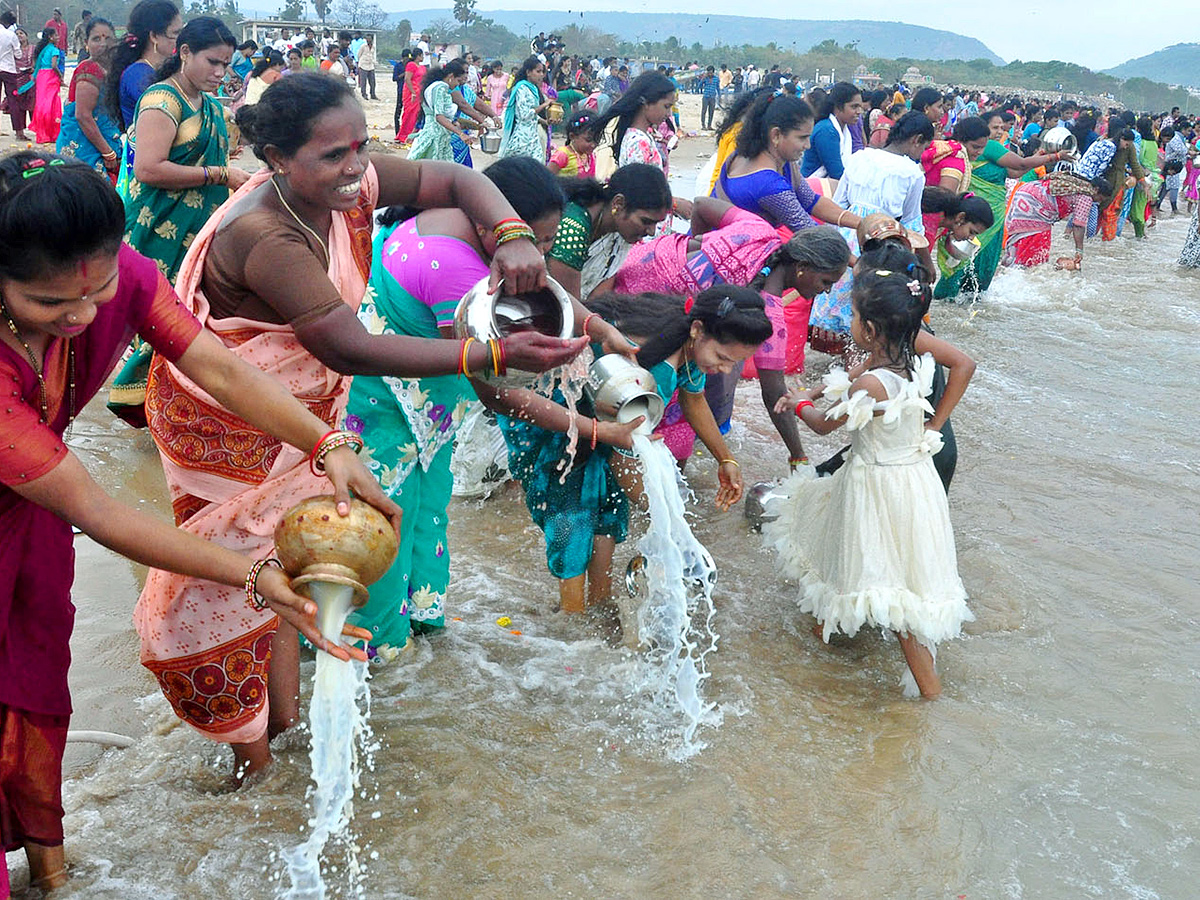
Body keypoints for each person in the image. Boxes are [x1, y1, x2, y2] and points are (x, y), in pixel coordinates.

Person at [134, 72, 584, 778]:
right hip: (228, 421)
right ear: (278, 159)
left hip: (300, 410)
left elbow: (452, 178)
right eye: (332, 155)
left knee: (283, 560)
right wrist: (494, 351)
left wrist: (513, 233)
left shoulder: (346, 185)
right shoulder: (267, 232)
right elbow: (348, 345)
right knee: (234, 578)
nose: (354, 168)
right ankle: (248, 755)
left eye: (360, 147)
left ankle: (280, 720)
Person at [0, 150, 393, 896]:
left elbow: (217, 367)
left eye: (100, 290)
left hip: (30, 518)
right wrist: (252, 573)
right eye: (51, 306)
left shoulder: (132, 280)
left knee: (36, 687)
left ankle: (51, 867)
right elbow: (98, 509)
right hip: (39, 492)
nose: (83, 318)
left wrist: (328, 443)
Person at [343, 157, 633, 652]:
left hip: (424, 404)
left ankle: (420, 629)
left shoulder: (466, 227)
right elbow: (495, 391)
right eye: (537, 242)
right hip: (386, 402)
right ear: (494, 223)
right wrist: (592, 430)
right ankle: (375, 648)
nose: (541, 254)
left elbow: (552, 290)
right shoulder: (455, 267)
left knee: (425, 509)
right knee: (385, 521)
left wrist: (600, 328)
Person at [766, 255, 973, 699]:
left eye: (855, 317)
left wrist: (794, 401)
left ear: (870, 329)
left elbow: (824, 425)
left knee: (893, 594)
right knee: (858, 559)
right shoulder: (909, 346)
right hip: (913, 479)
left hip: (878, 487)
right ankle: (823, 643)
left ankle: (930, 695)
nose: (850, 322)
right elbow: (964, 365)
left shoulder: (873, 385)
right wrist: (935, 426)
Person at [499, 286, 769, 614]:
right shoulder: (638, 360)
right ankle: (572, 619)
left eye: (734, 363)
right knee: (573, 517)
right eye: (723, 359)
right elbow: (620, 456)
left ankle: (601, 601)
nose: (725, 371)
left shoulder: (689, 349)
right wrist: (665, 515)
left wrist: (725, 458)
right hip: (558, 427)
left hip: (613, 433)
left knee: (609, 510)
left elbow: (693, 398)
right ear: (698, 329)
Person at [614, 197, 849, 469]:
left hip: (639, 263)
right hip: (649, 320)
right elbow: (774, 393)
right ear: (802, 267)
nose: (827, 291)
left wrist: (701, 247)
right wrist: (798, 454)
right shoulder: (767, 314)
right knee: (657, 426)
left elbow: (701, 204)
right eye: (826, 282)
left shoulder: (757, 229)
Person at [123, 17, 250, 282]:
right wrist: (221, 174)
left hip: (200, 229)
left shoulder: (210, 105)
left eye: (225, 65)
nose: (220, 72)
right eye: (212, 62)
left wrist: (221, 155)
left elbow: (193, 153)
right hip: (158, 227)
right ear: (185, 52)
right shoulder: (163, 100)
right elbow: (148, 169)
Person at [811, 111, 934, 340]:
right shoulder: (912, 173)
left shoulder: (860, 157)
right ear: (916, 140)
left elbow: (839, 203)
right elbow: (912, 222)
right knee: (870, 306)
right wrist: (926, 263)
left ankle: (837, 369)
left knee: (840, 302)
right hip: (882, 243)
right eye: (924, 146)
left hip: (848, 235)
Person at [934, 116, 1066, 299]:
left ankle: (955, 306)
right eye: (994, 127)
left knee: (964, 260)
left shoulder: (978, 150)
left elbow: (1015, 172)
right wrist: (1055, 157)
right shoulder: (987, 148)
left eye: (1001, 128)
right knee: (966, 261)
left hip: (984, 216)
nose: (999, 132)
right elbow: (1020, 164)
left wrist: (1039, 158)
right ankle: (953, 301)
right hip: (972, 215)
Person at [716, 92, 861, 234]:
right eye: (802, 138)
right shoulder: (769, 184)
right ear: (776, 135)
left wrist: (862, 223)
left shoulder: (777, 160)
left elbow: (810, 200)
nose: (808, 145)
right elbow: (809, 231)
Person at [546, 164, 672, 300]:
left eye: (656, 223)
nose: (652, 232)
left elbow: (599, 295)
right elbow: (568, 303)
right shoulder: (573, 228)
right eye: (646, 221)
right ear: (618, 204)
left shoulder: (620, 235)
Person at [56, 17, 121, 182]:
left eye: (108, 38)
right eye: (96, 39)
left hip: (101, 140)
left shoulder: (110, 69)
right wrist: (108, 152)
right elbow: (83, 116)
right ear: (86, 43)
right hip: (86, 146)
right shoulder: (89, 69)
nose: (103, 44)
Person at [1002, 171, 1110, 268]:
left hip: (1025, 192)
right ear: (1096, 190)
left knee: (1022, 240)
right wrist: (1079, 250)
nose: (1098, 202)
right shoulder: (1086, 196)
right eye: (1100, 198)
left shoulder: (1079, 184)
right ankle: (1023, 269)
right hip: (1034, 204)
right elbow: (1078, 225)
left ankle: (1011, 264)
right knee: (1036, 254)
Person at [920, 187, 994, 283]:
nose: (971, 238)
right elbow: (918, 243)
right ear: (961, 217)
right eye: (972, 232)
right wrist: (928, 263)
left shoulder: (945, 222)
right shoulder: (931, 220)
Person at [406, 60, 473, 162]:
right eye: (458, 81)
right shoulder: (440, 88)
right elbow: (439, 116)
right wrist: (460, 133)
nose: (458, 85)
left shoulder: (437, 87)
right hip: (435, 136)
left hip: (440, 136)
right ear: (451, 76)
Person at [800, 82, 863, 182]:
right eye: (854, 107)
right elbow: (836, 173)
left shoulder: (843, 130)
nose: (859, 111)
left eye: (860, 107)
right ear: (838, 107)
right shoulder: (826, 131)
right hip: (812, 186)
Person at [23, 27, 64, 144]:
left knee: (41, 103)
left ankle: (42, 134)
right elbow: (54, 65)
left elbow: (36, 64)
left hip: (41, 76)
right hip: (50, 76)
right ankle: (53, 134)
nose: (58, 37)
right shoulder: (54, 50)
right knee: (52, 103)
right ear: (50, 37)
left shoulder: (41, 49)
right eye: (56, 35)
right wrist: (60, 76)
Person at [0, 14, 32, 141]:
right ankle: (19, 132)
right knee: (13, 100)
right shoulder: (10, 35)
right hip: (8, 70)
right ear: (10, 24)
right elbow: (18, 55)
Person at [548, 111, 597, 177]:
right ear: (572, 136)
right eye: (588, 140)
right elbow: (546, 179)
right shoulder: (562, 155)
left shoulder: (590, 156)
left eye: (596, 139)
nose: (593, 145)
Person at [395, 47, 425, 143]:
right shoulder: (411, 65)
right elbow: (407, 79)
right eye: (422, 55)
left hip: (419, 92)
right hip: (411, 92)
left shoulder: (423, 67)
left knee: (417, 114)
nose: (423, 57)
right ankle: (404, 135)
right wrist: (413, 92)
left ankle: (413, 135)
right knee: (409, 114)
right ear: (418, 56)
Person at [698, 65, 718, 131]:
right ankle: (703, 125)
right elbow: (699, 86)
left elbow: (718, 88)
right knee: (704, 111)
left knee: (711, 111)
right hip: (706, 96)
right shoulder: (705, 78)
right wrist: (703, 79)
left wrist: (719, 96)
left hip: (713, 96)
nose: (710, 74)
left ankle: (709, 125)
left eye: (711, 72)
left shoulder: (716, 79)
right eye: (709, 72)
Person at [357, 33, 376, 100]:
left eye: (369, 39)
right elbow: (359, 55)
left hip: (370, 65)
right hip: (363, 65)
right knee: (363, 82)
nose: (368, 40)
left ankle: (373, 94)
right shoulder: (363, 46)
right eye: (367, 39)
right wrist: (360, 63)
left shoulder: (373, 47)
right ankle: (364, 94)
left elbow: (372, 55)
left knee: (372, 82)